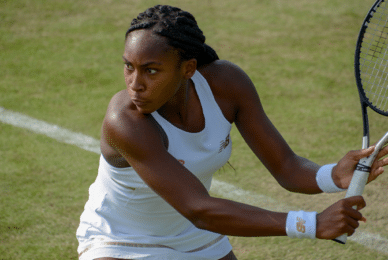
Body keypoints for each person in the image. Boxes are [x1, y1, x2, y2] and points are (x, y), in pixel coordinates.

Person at [76, 4, 388, 260]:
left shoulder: (227, 85)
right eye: (129, 67)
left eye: (151, 70)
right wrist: (311, 223)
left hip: (195, 238)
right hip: (119, 240)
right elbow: (198, 208)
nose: (135, 84)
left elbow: (287, 168)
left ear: (188, 68)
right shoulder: (125, 120)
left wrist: (332, 175)